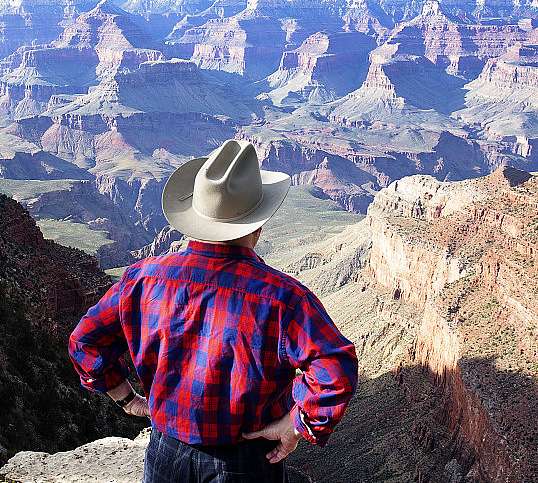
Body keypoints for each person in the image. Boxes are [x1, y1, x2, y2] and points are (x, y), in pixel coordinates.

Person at [68, 139, 358, 482]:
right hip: (246, 462)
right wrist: (294, 426)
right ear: (258, 224)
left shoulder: (142, 279)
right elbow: (335, 373)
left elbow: (85, 341)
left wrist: (127, 399)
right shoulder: (285, 299)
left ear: (195, 216)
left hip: (165, 456)